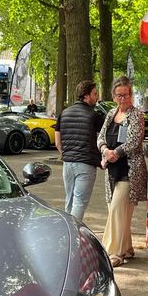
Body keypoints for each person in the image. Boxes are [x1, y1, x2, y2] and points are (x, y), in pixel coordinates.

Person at [98, 76, 147, 267]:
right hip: (112, 169)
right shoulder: (111, 113)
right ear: (113, 96)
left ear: (131, 95)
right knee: (118, 210)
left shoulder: (136, 115)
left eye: (126, 95)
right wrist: (105, 150)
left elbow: (134, 141)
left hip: (129, 169)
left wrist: (115, 153)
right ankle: (126, 247)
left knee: (117, 209)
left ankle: (113, 252)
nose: (123, 99)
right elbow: (101, 136)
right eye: (119, 95)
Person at [55, 80, 103, 222]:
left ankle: (67, 229)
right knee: (79, 203)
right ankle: (74, 232)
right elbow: (103, 137)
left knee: (69, 201)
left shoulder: (64, 113)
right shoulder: (94, 115)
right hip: (86, 164)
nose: (97, 97)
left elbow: (58, 142)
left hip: (67, 164)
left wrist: (66, 154)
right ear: (86, 96)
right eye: (94, 94)